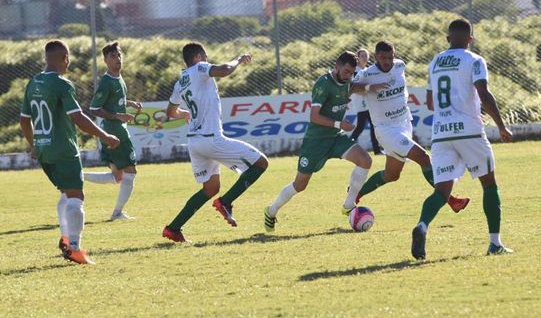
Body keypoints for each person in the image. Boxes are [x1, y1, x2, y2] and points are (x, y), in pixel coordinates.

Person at [411, 19, 514, 260]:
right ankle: (495, 243)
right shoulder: (474, 60)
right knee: (489, 184)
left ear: (447, 39)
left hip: (441, 133)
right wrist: (501, 125)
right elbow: (483, 93)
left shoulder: (435, 62)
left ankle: (422, 225)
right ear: (470, 39)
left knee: (442, 191)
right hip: (469, 131)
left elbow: (430, 103)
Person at [264, 51, 390, 233]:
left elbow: (354, 87)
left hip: (335, 137)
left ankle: (348, 204)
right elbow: (314, 116)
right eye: (346, 71)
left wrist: (372, 87)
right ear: (337, 67)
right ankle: (271, 210)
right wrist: (339, 123)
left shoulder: (347, 81)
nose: (348, 76)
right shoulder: (323, 84)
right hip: (315, 141)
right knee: (300, 185)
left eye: (352, 73)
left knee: (365, 160)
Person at [20, 40, 120, 265]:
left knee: (66, 193)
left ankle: (65, 238)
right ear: (65, 58)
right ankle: (74, 248)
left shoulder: (33, 82)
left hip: (44, 150)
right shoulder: (63, 84)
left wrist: (34, 145)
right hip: (64, 149)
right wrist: (105, 136)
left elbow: (24, 120)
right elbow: (78, 118)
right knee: (76, 196)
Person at [162, 42, 269, 243]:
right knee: (261, 163)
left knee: (210, 189)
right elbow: (225, 70)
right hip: (211, 139)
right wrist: (238, 59)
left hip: (195, 143)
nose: (207, 61)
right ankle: (226, 202)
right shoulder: (200, 68)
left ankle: (173, 229)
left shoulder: (181, 81)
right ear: (198, 57)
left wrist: (184, 113)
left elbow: (170, 112)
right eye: (206, 57)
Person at [351, 40, 470, 212]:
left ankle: (355, 193)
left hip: (404, 125)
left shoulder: (400, 66)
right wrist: (370, 87)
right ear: (375, 57)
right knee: (423, 158)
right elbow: (350, 88)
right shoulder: (367, 74)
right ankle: (450, 200)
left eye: (390, 57)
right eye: (382, 58)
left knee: (392, 175)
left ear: (395, 56)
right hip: (385, 129)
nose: (386, 61)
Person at [84, 41, 142, 221]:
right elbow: (94, 108)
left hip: (116, 130)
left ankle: (78, 176)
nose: (118, 59)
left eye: (119, 55)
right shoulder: (107, 81)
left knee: (117, 177)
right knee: (131, 172)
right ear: (105, 60)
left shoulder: (118, 78)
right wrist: (119, 116)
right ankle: (117, 214)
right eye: (113, 56)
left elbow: (116, 101)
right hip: (114, 131)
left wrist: (129, 103)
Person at [349, 49, 381, 154]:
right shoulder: (356, 71)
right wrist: (365, 92)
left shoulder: (367, 70)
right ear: (357, 58)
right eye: (362, 55)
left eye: (366, 55)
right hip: (361, 102)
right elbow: (352, 87)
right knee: (361, 126)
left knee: (371, 125)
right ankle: (348, 146)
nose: (364, 57)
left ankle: (377, 150)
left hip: (368, 102)